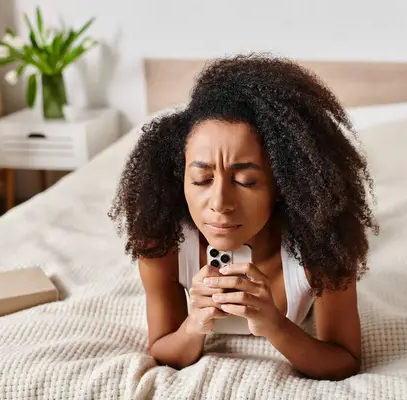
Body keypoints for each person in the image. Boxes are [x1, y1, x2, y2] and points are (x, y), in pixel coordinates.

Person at [109, 53, 378, 381]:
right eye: (202, 179)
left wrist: (275, 326)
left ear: (280, 184)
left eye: (245, 181)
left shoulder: (322, 243)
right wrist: (195, 323)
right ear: (180, 178)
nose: (220, 203)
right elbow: (162, 347)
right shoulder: (161, 241)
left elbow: (345, 359)